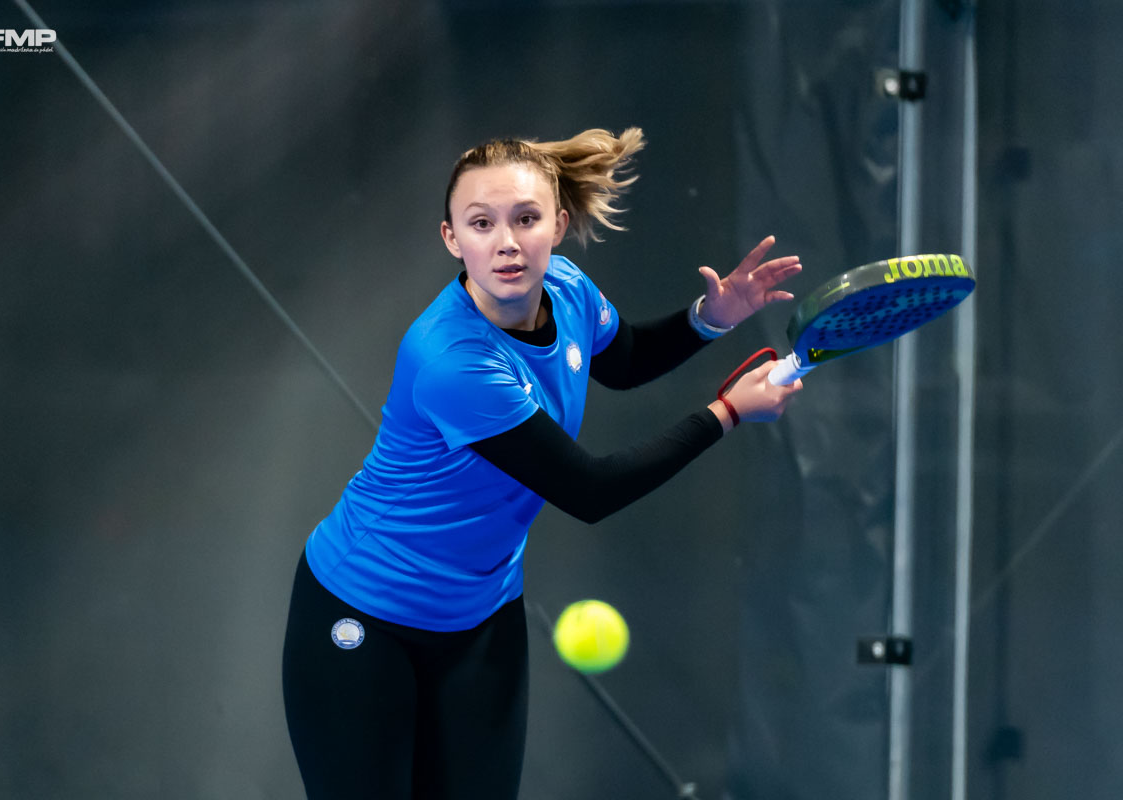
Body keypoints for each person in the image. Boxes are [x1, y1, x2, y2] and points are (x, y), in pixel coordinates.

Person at [281, 127, 803, 799]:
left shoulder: (567, 286)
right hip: (363, 612)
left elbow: (624, 360)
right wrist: (726, 412)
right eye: (482, 224)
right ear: (451, 238)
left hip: (481, 616)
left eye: (525, 219)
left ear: (557, 225)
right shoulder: (454, 360)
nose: (506, 242)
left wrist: (712, 316)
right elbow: (590, 491)